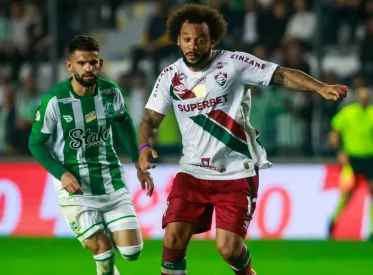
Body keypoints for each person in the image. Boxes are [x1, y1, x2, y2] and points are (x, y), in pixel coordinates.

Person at [136, 4, 347, 275]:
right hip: (192, 171)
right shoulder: (170, 76)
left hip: (235, 171)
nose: (192, 45)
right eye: (186, 39)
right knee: (173, 239)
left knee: (228, 249)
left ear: (212, 40)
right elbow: (149, 121)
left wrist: (320, 87)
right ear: (178, 40)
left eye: (200, 39)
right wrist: (144, 148)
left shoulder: (234, 64)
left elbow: (280, 74)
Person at [29, 35, 154, 275]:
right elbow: (35, 143)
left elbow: (124, 122)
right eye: (82, 62)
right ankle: (99, 239)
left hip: (110, 179)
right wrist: (62, 173)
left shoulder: (110, 92)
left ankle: (103, 228)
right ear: (70, 65)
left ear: (101, 63)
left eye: (93, 62)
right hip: (76, 187)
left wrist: (138, 162)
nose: (88, 67)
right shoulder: (55, 101)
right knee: (103, 252)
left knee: (132, 252)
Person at [328, 87, 373, 241]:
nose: (364, 100)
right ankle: (333, 221)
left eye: (366, 97)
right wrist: (339, 151)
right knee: (347, 194)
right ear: (357, 98)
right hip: (351, 158)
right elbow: (334, 133)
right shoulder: (347, 113)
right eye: (361, 97)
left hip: (370, 157)